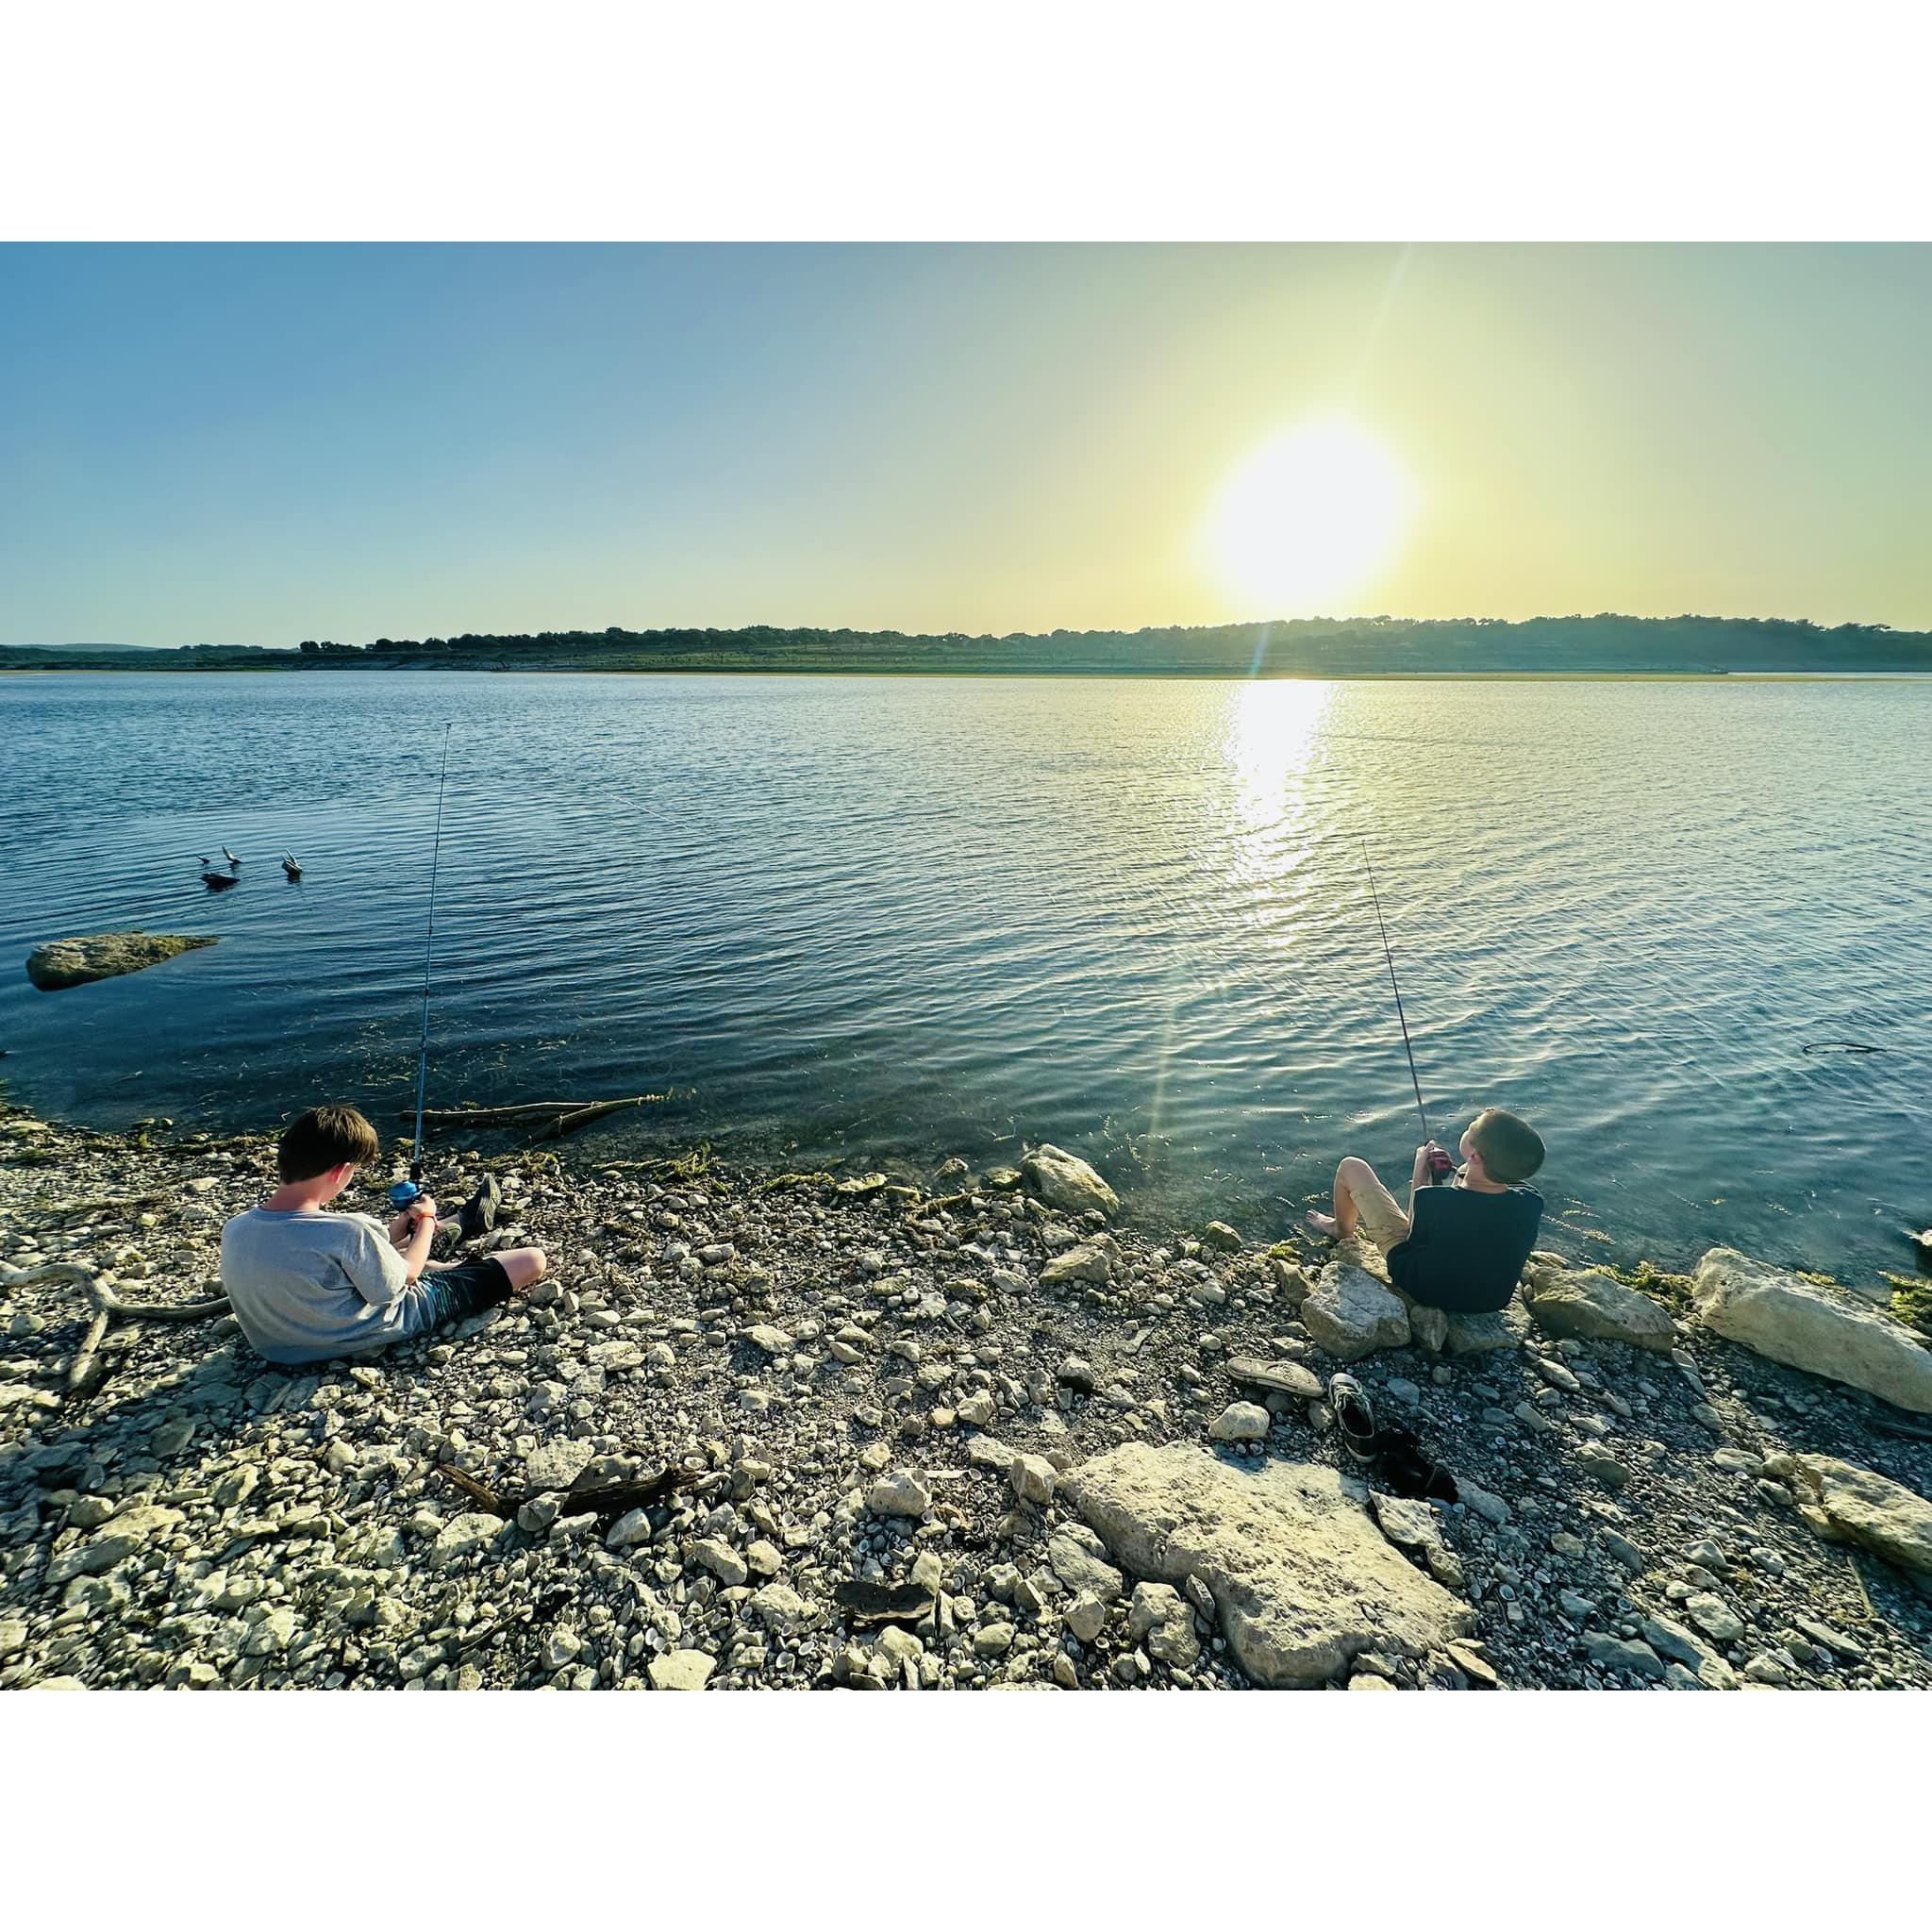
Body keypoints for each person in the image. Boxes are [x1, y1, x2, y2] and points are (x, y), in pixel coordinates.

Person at [220, 1103, 546, 1365]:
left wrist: (390, 1234)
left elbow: (319, 1257)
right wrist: (427, 1219)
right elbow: (405, 1278)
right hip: (362, 1332)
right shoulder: (350, 1231)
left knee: (397, 1246)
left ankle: (460, 1224)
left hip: (279, 1350)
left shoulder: (235, 1228)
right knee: (531, 1259)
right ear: (340, 1171)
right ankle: (454, 1242)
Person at [1306, 1106, 1544, 1314]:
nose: (1468, 1129)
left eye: (1470, 1129)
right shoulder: (1532, 1201)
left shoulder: (1436, 1201)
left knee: (1351, 1167)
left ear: (1474, 1156)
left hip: (1426, 1289)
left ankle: (1340, 1230)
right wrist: (1461, 1171)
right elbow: (1480, 1191)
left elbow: (1413, 1238)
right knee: (1465, 1183)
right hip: (1492, 1300)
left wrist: (1420, 1169)